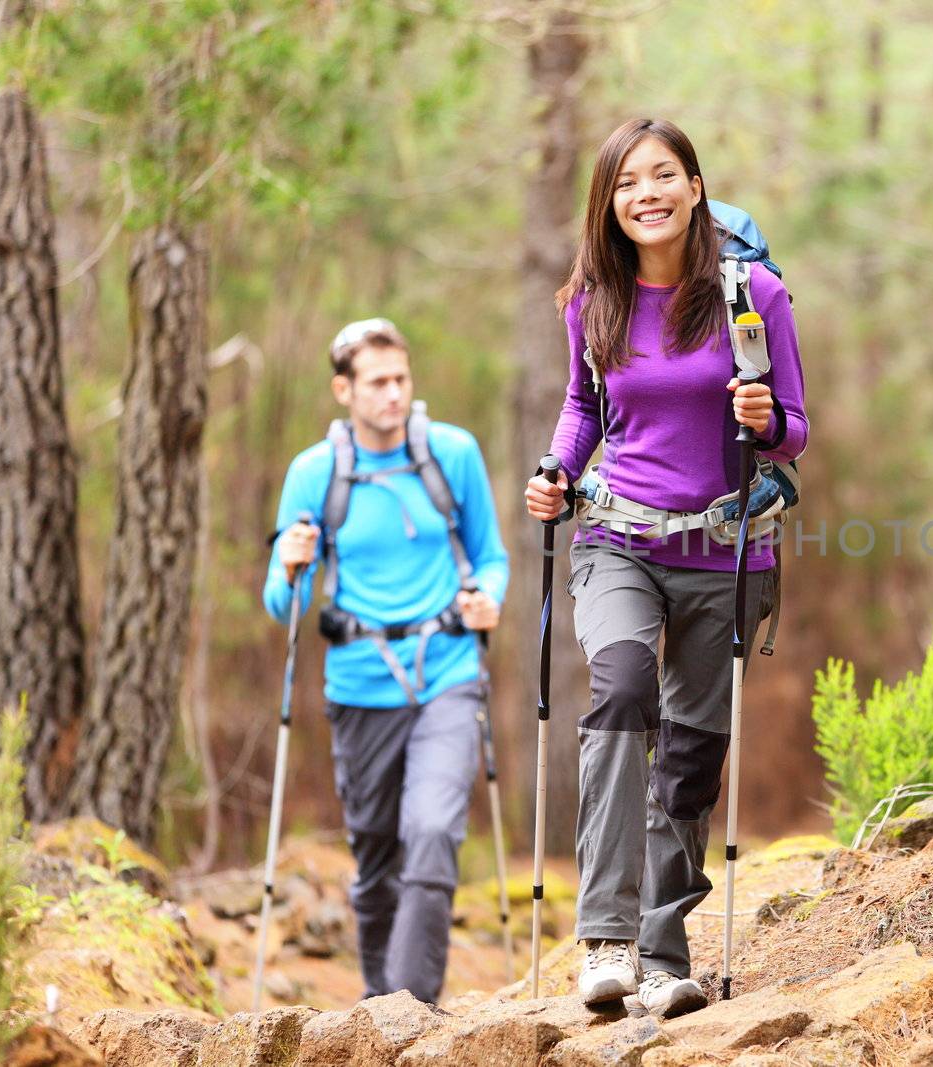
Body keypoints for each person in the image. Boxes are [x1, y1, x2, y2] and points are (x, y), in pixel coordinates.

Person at [525, 118, 809, 1018]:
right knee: (617, 689)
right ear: (609, 203)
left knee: (689, 748)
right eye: (625, 182)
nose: (645, 194)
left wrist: (763, 417)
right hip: (619, 538)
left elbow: (794, 428)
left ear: (694, 186)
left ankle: (662, 951)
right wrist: (558, 470)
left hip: (725, 547)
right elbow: (584, 405)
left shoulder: (749, 292)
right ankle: (604, 937)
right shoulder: (592, 297)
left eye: (662, 176)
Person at [264, 318, 510, 1004]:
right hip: (359, 683)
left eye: (402, 378)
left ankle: (412, 1008)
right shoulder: (315, 474)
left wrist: (487, 597)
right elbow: (283, 607)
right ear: (343, 389)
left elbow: (491, 555)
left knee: (431, 830)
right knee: (375, 853)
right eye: (377, 383)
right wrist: (289, 567)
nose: (394, 394)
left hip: (450, 671)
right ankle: (380, 1004)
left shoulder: (452, 453)